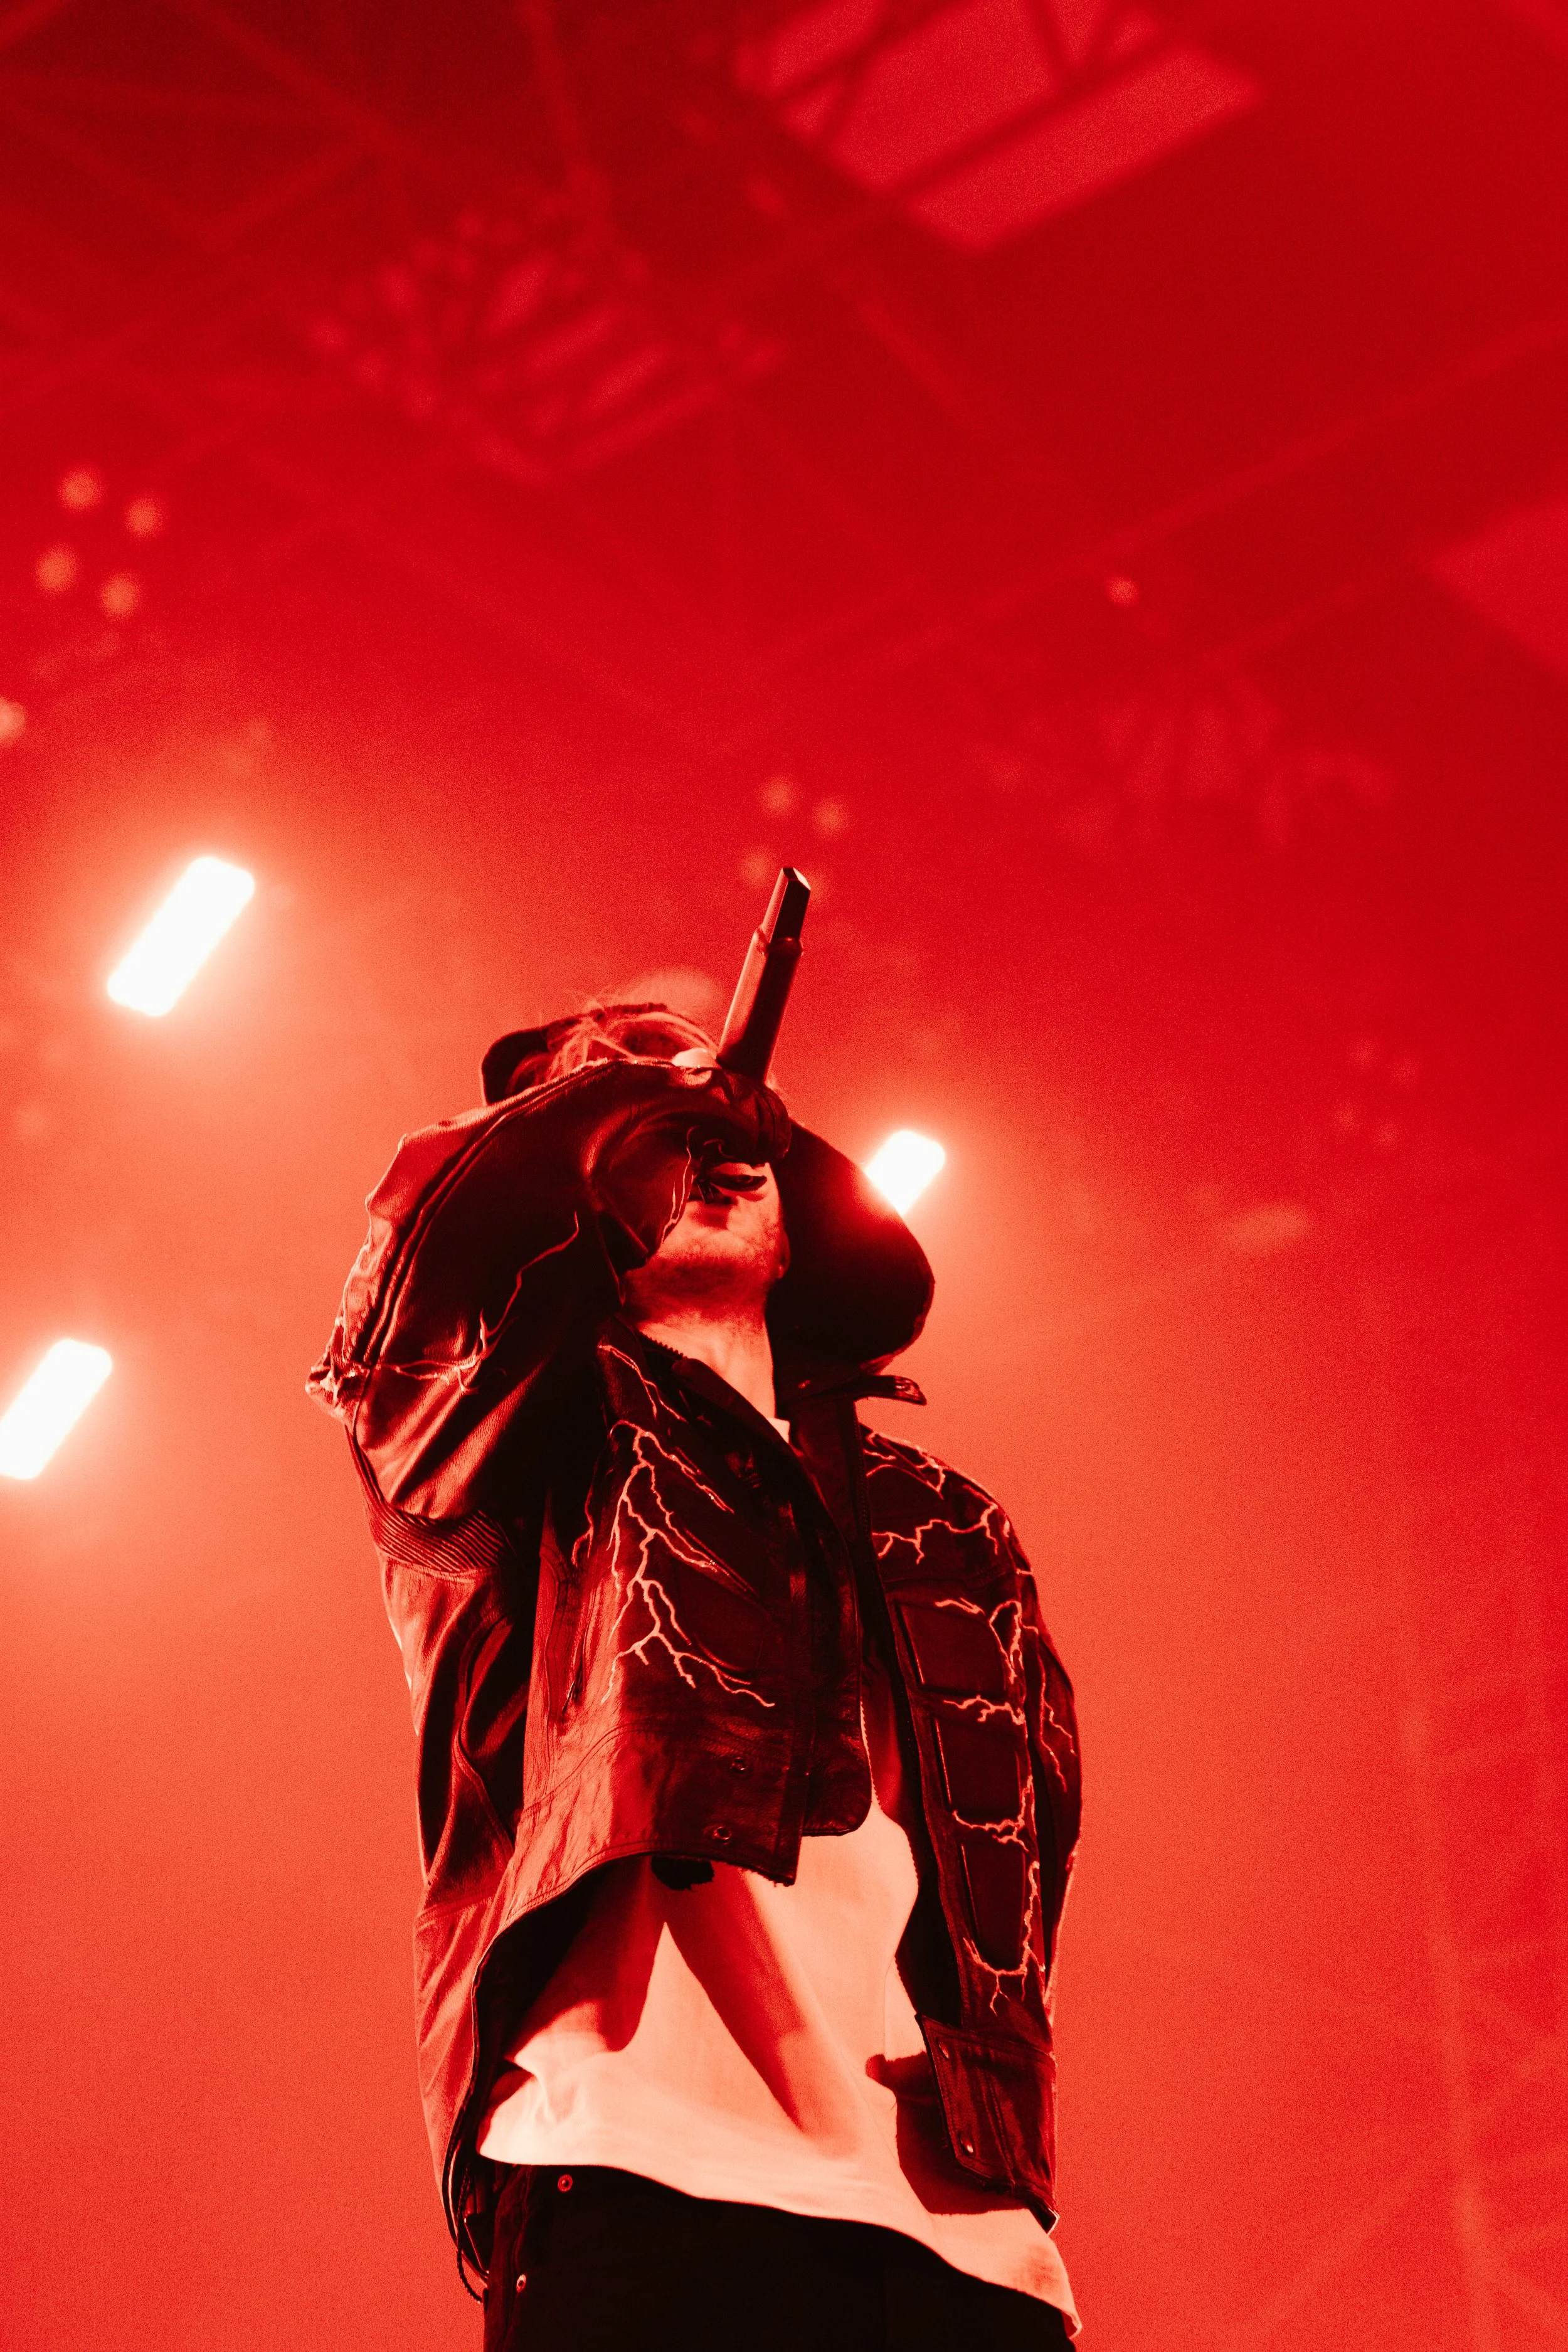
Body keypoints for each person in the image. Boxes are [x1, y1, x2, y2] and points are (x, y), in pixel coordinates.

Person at [309, 1002, 1082, 2350]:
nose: (713, 1143)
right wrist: (639, 1095)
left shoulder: (946, 1524)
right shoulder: (502, 1466)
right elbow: (427, 1274)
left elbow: (1029, 1864)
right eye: (651, 1127)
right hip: (641, 2187)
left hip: (968, 2251)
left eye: (738, 1130)